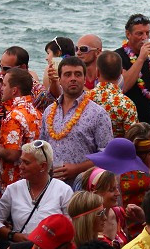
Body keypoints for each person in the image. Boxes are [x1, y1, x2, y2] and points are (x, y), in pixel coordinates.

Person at [41, 57, 113, 185]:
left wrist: (78, 169)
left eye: (78, 74)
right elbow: (42, 148)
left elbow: (107, 156)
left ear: (84, 79)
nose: (73, 78)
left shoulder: (98, 113)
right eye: (67, 74)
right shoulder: (48, 112)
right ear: (60, 80)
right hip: (51, 186)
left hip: (83, 188)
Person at [0, 140, 73, 246]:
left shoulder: (63, 190)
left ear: (43, 166)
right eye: (21, 161)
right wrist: (13, 235)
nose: (20, 166)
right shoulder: (13, 189)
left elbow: (72, 226)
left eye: (26, 163)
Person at [0, 68, 42, 190]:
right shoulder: (36, 112)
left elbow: (12, 154)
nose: (1, 88)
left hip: (15, 183)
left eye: (5, 85)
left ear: (14, 90)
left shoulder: (14, 116)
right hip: (34, 180)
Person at [116, 14, 150, 125]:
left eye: (147, 33)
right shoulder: (118, 57)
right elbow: (123, 87)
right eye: (139, 33)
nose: (145, 38)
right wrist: (140, 58)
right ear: (128, 34)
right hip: (129, 121)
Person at [89, 50, 139, 138]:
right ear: (121, 73)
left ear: (97, 72)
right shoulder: (127, 104)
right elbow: (133, 137)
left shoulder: (85, 98)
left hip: (89, 151)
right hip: (117, 151)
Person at [0, 46, 46, 110]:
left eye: (6, 69)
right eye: (0, 66)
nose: (1, 72)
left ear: (23, 68)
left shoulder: (38, 92)